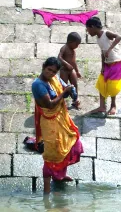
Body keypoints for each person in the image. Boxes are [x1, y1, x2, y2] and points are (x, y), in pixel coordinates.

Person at [32, 57, 84, 194]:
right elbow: (50, 104)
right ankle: (47, 191)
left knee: (70, 144)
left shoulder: (54, 79)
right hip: (50, 123)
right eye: (49, 70)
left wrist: (72, 93)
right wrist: (64, 94)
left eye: (54, 72)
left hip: (61, 119)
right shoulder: (38, 84)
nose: (51, 73)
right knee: (52, 154)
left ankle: (59, 176)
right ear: (43, 67)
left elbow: (65, 86)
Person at [86, 17, 121, 115]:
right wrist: (103, 66)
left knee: (112, 86)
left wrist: (110, 49)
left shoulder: (106, 33)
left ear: (93, 27)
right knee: (101, 83)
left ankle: (113, 105)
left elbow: (119, 37)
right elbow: (102, 52)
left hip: (117, 62)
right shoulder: (98, 38)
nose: (88, 32)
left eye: (88, 29)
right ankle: (102, 106)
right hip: (107, 63)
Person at [58, 32, 82, 109]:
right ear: (70, 42)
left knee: (75, 84)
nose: (77, 46)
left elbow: (73, 62)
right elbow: (59, 58)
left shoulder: (73, 51)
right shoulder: (64, 48)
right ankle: (61, 100)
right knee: (63, 86)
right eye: (76, 44)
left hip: (71, 71)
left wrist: (77, 71)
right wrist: (66, 64)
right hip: (64, 70)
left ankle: (75, 100)